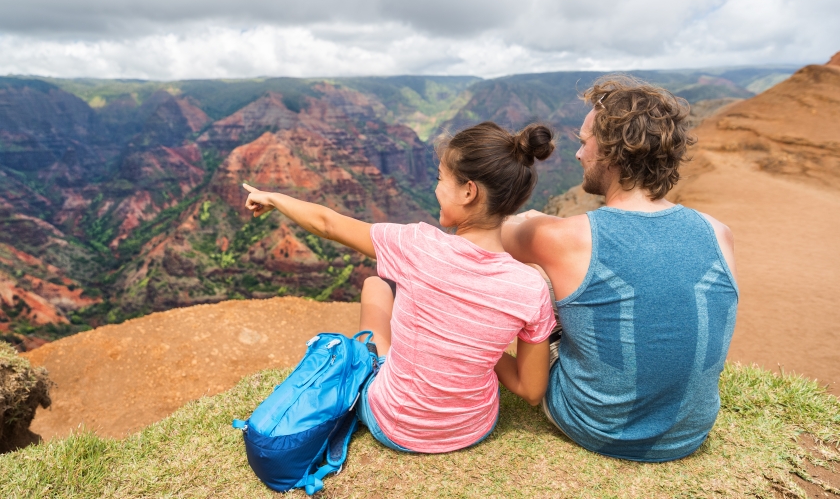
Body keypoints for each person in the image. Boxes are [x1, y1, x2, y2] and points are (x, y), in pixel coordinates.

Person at [243, 121, 557, 454]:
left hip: (393, 424)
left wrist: (274, 197)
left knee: (375, 284)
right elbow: (531, 389)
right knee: (384, 289)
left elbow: (328, 224)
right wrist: (477, 348)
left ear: (468, 191)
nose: (436, 189)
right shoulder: (529, 286)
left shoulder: (416, 245)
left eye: (440, 179)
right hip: (472, 429)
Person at [502, 76, 739, 462]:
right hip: (690, 433)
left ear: (611, 151)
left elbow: (487, 233)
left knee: (532, 280)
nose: (578, 155)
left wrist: (534, 219)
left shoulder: (562, 238)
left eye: (583, 142)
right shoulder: (719, 233)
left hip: (596, 427)